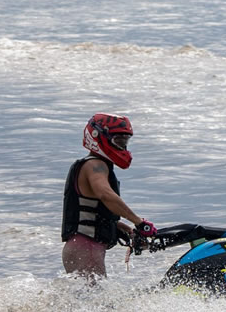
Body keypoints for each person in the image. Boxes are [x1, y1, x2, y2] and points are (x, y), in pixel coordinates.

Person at [61, 113, 158, 280]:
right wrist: (140, 223)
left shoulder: (94, 164)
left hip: (82, 246)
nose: (122, 146)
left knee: (89, 302)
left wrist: (123, 228)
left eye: (125, 141)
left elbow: (91, 212)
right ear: (97, 136)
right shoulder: (95, 165)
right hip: (86, 246)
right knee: (97, 303)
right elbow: (105, 194)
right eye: (118, 141)